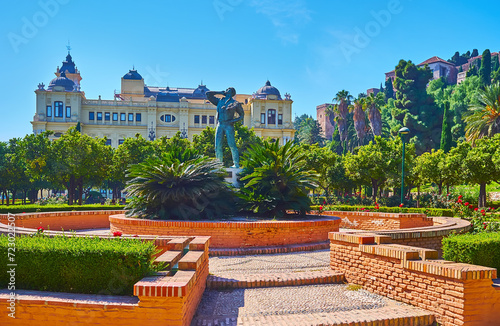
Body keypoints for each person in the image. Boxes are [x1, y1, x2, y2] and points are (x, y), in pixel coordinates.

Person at [206, 87, 244, 168]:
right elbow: (208, 94)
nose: (226, 90)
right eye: (226, 90)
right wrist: (219, 92)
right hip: (220, 124)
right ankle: (219, 164)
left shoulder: (235, 103)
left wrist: (233, 121)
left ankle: (236, 164)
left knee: (232, 144)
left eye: (228, 90)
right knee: (217, 145)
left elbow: (242, 115)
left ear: (232, 93)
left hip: (229, 125)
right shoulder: (219, 101)